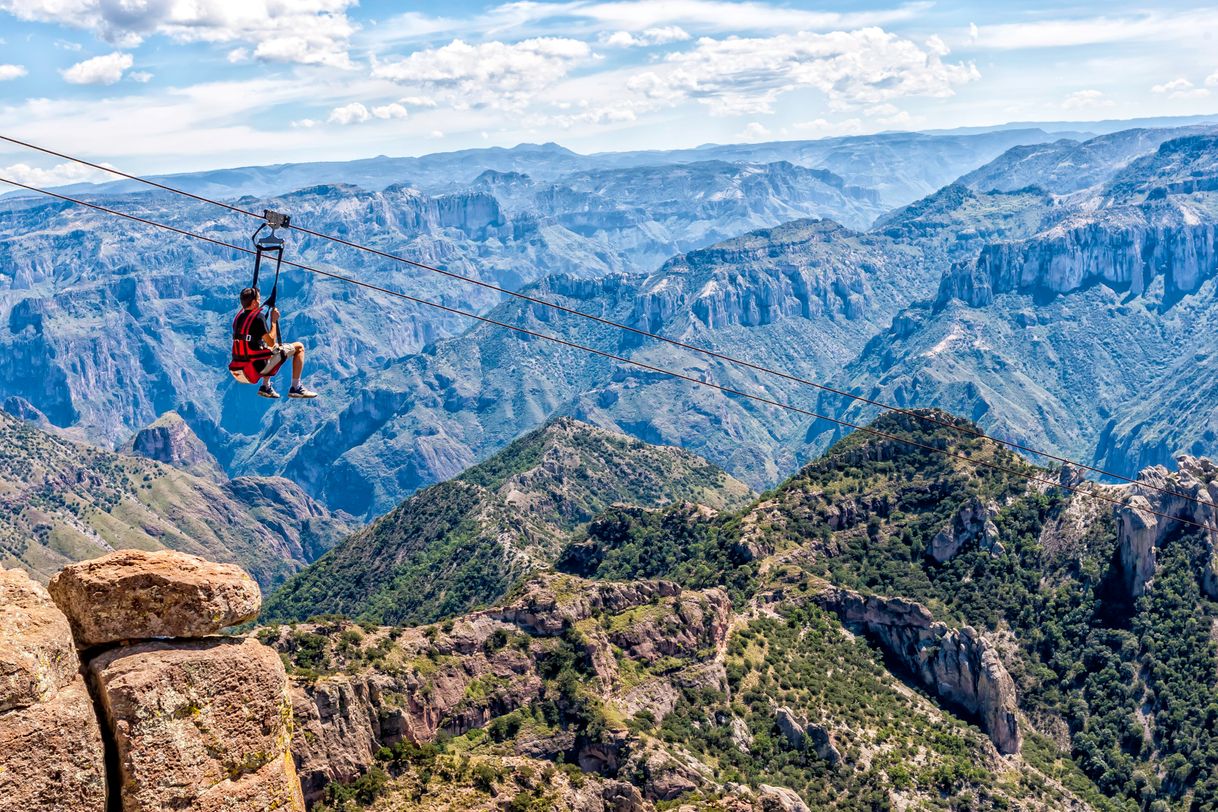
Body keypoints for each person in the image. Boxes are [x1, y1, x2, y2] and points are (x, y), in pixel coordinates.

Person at [235, 286, 318, 399]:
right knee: (299, 347)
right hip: (258, 366)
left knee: (262, 348)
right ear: (254, 302)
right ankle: (296, 387)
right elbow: (271, 342)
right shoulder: (258, 318)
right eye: (259, 298)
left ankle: (266, 386)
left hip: (242, 365)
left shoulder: (239, 318)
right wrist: (273, 320)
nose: (260, 301)